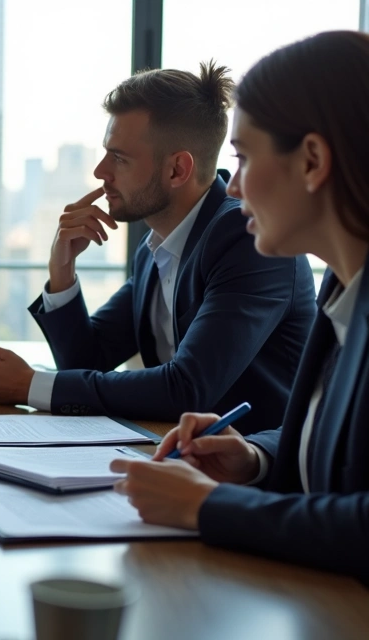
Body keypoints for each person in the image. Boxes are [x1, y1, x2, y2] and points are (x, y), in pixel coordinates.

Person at [112, 31, 369, 583]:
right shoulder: (342, 289)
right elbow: (340, 451)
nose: (232, 189)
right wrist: (256, 457)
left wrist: (206, 507)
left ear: (313, 161)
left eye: (245, 159)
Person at [0, 62, 315, 434]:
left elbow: (188, 388)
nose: (100, 171)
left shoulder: (246, 237)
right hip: (170, 455)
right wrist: (62, 273)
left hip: (258, 474)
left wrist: (31, 385)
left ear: (177, 170)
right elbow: (86, 362)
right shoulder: (153, 249)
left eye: (119, 158)